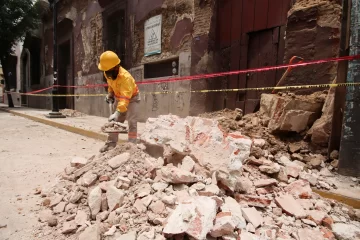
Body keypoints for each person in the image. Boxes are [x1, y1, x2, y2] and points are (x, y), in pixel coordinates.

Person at [98, 51, 140, 152]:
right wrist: (110, 94)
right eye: (105, 71)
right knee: (115, 122)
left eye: (108, 71)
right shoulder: (108, 72)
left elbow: (125, 99)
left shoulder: (126, 78)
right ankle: (110, 144)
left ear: (116, 67)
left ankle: (131, 146)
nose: (106, 73)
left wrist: (117, 113)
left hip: (132, 98)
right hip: (119, 97)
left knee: (132, 122)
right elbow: (111, 84)